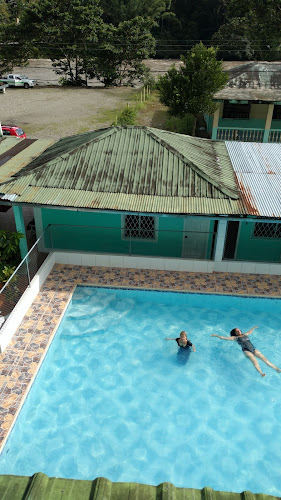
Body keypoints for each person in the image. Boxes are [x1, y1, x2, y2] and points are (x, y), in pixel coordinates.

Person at [211, 326, 281, 377]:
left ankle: (277, 369)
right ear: (235, 333)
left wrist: (253, 328)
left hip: (254, 349)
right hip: (247, 351)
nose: (238, 331)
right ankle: (261, 373)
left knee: (266, 360)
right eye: (236, 331)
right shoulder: (235, 338)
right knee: (255, 362)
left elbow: (249, 332)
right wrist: (217, 336)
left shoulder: (245, 334)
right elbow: (224, 338)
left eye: (239, 330)